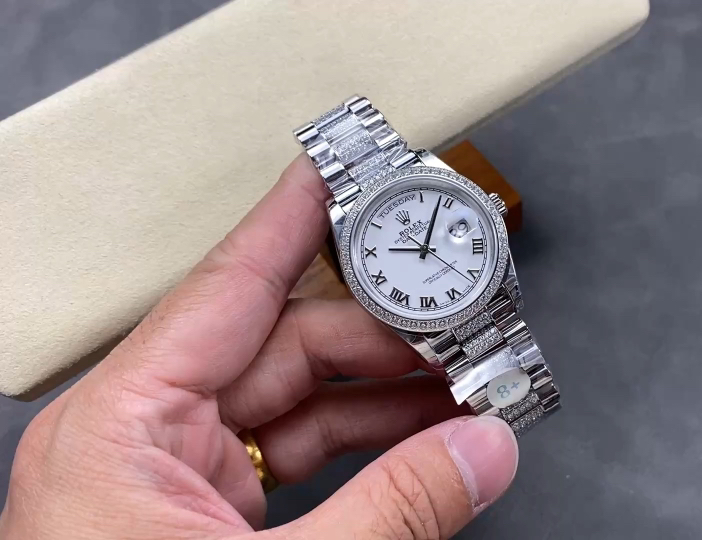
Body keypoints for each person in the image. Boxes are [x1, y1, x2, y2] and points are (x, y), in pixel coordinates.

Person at [0, 156, 519, 539]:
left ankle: (518, 391)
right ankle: (517, 396)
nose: (425, 249)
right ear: (359, 277)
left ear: (488, 213)